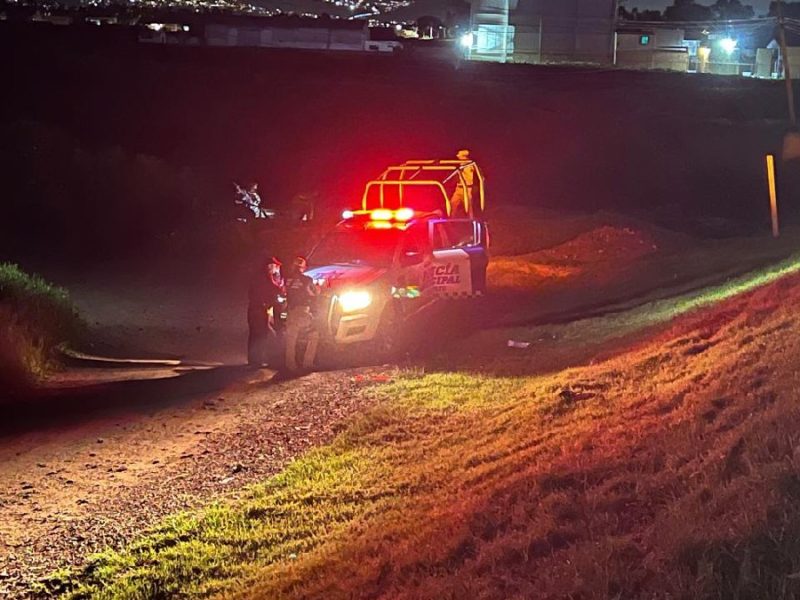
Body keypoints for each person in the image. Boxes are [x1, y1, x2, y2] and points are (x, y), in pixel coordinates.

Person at [284, 256, 321, 373]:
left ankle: (290, 365)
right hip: (303, 311)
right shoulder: (307, 279)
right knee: (314, 335)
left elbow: (285, 292)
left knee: (291, 339)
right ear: (302, 267)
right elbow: (314, 294)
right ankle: (307, 363)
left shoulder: (287, 279)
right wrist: (319, 288)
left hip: (291, 311)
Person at [247, 256, 284, 367]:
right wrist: (280, 283)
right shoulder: (266, 277)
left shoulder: (258, 276)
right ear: (270, 266)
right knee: (261, 334)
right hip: (259, 310)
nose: (277, 268)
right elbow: (275, 289)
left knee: (255, 335)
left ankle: (254, 360)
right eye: (275, 266)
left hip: (254, 309)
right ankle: (258, 361)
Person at [449, 149, 476, 216]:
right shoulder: (460, 164)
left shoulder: (469, 165)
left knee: (468, 207)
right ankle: (451, 221)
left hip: (466, 189)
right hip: (458, 188)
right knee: (452, 204)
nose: (457, 156)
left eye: (459, 155)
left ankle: (471, 221)